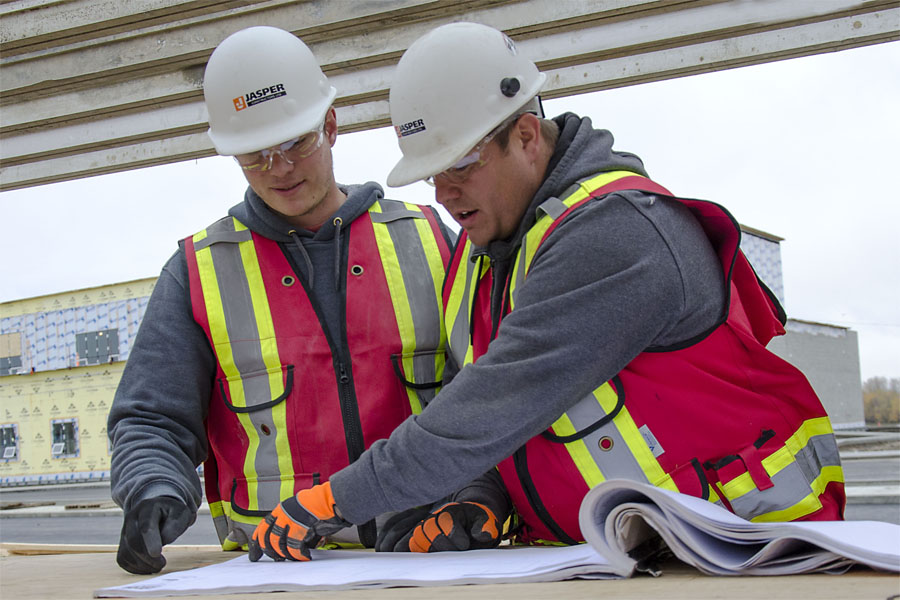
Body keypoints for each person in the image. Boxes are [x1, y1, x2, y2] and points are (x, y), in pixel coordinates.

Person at [247, 22, 845, 562]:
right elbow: (507, 413)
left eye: (460, 165)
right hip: (638, 556)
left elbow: (492, 404)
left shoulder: (617, 233)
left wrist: (332, 500)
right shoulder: (487, 255)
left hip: (756, 546)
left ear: (528, 136)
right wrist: (483, 496)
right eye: (433, 175)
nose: (444, 194)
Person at [107, 26, 455, 574]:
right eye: (256, 155)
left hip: (430, 554)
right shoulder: (196, 273)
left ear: (331, 125)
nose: (281, 168)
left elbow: (492, 387)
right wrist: (152, 487)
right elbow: (152, 418)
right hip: (271, 568)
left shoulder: (430, 241)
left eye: (296, 142)